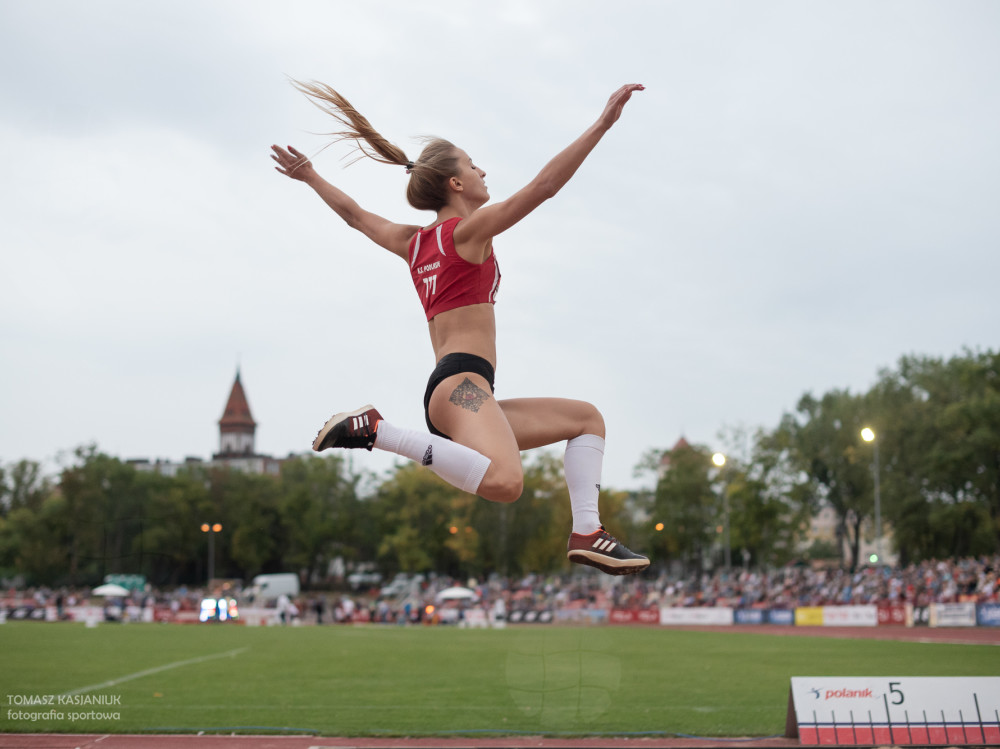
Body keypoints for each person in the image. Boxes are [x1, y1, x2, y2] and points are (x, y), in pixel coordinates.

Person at [272, 81, 649, 576]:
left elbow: (356, 217)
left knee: (586, 420)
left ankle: (587, 532)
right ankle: (376, 431)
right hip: (462, 388)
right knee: (506, 482)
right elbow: (543, 188)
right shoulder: (467, 233)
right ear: (454, 184)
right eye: (473, 165)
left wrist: (312, 177)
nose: (482, 170)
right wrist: (601, 125)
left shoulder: (414, 242)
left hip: (468, 393)